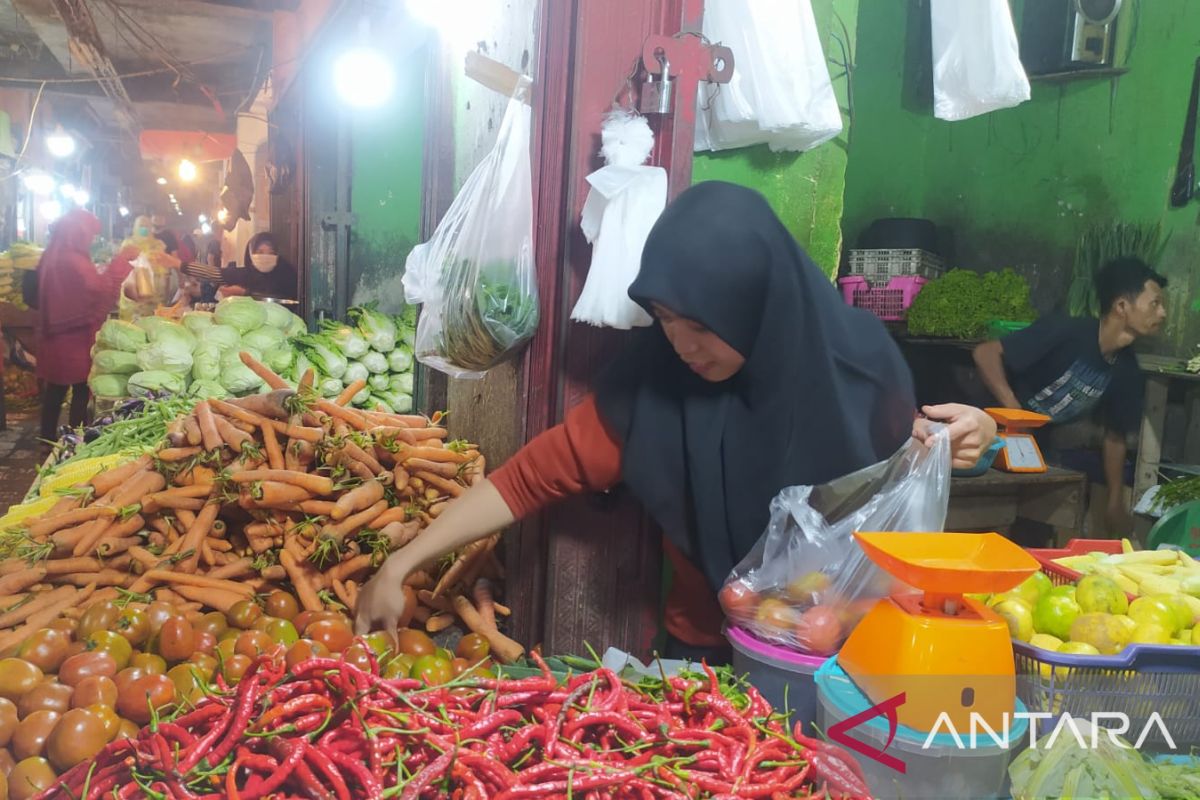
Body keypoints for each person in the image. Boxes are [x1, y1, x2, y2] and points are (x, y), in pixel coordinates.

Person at [355, 182, 996, 660]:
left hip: (847, 658)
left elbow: (920, 452)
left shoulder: (859, 366)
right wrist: (399, 565)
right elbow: (528, 479)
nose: (680, 343)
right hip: (707, 656)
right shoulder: (655, 383)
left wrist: (979, 434)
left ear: (756, 303)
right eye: (663, 317)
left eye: (700, 323)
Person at [973, 257, 1167, 533]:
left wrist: (1114, 500)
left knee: (1033, 531)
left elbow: (1115, 437)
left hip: (1034, 446)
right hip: (987, 430)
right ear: (1122, 306)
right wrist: (1014, 409)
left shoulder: (1127, 370)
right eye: (1155, 303)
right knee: (980, 518)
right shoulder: (1068, 332)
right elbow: (985, 353)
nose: (1162, 313)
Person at [36, 209, 138, 446]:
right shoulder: (73, 261)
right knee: (81, 388)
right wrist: (120, 262)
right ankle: (75, 437)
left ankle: (46, 440)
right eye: (89, 235)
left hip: (54, 337)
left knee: (55, 392)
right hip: (73, 340)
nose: (91, 240)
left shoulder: (53, 254)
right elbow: (98, 292)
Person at [119, 216, 181, 321]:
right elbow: (121, 267)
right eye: (141, 226)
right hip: (133, 296)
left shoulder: (158, 245)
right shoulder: (128, 244)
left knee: (152, 323)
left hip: (155, 296)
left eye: (146, 226)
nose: (144, 229)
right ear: (135, 227)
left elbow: (165, 271)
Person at [219, 232, 297, 300]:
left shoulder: (286, 275)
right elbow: (215, 273)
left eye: (271, 252)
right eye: (260, 252)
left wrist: (244, 294)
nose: (266, 256)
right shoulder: (246, 274)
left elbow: (283, 300)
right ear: (250, 255)